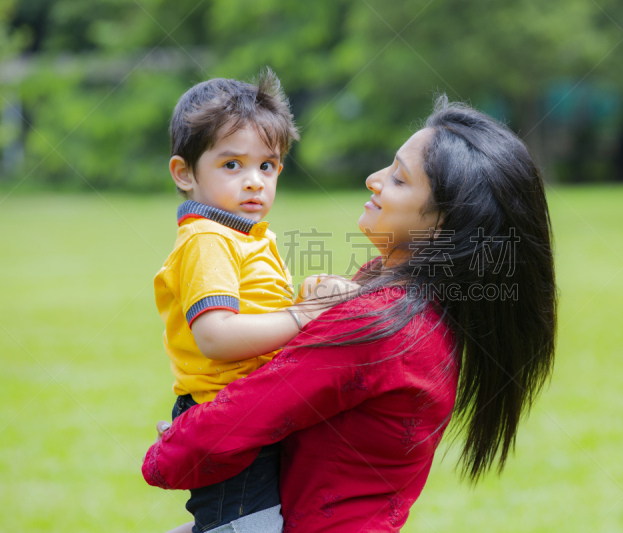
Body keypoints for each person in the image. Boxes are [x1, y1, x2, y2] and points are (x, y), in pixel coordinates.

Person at [143, 97, 558, 532]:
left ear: (443, 225)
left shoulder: (381, 322)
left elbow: (247, 413)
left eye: (398, 179)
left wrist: (168, 450)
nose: (373, 179)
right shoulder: (418, 302)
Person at [155, 70, 351, 533]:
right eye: (231, 165)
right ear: (184, 174)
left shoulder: (246, 237)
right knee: (247, 525)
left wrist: (308, 296)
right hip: (229, 415)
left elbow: (260, 314)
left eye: (267, 165)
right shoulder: (208, 239)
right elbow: (217, 335)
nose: (253, 182)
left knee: (250, 521)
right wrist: (302, 316)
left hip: (255, 407)